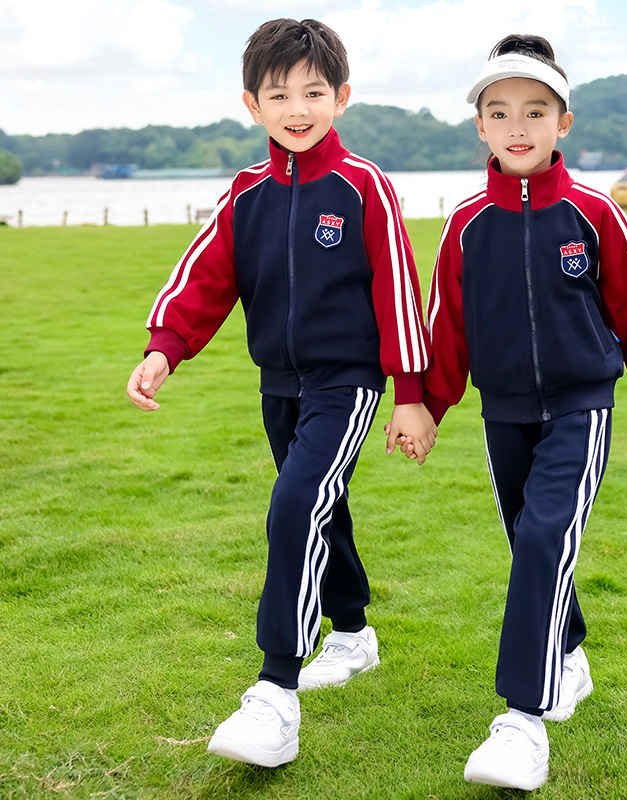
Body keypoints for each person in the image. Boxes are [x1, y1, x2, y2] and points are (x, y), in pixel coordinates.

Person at [126, 17, 436, 769]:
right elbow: (203, 278)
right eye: (279, 93)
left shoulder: (362, 185)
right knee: (321, 510)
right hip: (280, 384)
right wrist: (166, 348)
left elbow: (399, 288)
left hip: (349, 381)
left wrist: (410, 393)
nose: (298, 107)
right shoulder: (246, 194)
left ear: (343, 97)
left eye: (314, 91)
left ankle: (274, 694)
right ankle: (355, 634)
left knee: (296, 503)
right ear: (252, 104)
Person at [412, 34, 627, 791]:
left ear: (563, 122)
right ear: (481, 129)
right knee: (530, 542)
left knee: (542, 537)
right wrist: (427, 405)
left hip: (581, 403)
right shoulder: (466, 225)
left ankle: (521, 722)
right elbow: (448, 326)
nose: (518, 126)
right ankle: (568, 653)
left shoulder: (594, 213)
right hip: (503, 412)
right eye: (500, 113)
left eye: (536, 111)